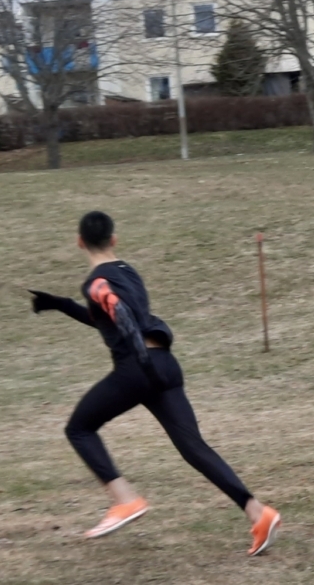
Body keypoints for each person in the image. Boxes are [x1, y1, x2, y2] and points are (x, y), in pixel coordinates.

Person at [29, 211, 281, 555]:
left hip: (138, 368)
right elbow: (105, 316)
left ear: (79, 241)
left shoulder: (97, 282)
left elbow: (118, 312)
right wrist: (60, 305)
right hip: (165, 365)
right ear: (114, 240)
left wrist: (140, 362)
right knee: (195, 448)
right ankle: (258, 513)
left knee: (79, 428)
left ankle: (125, 499)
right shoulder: (128, 273)